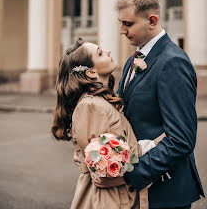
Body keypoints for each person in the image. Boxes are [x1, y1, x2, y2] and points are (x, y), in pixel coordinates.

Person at [92, 0, 204, 209]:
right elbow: (121, 117)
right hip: (139, 195)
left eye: (128, 23)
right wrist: (93, 153)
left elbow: (180, 140)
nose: (122, 30)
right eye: (120, 23)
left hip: (166, 193)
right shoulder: (132, 60)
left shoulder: (173, 62)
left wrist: (128, 175)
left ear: (152, 20)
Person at [51, 38, 165, 209]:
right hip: (109, 199)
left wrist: (156, 142)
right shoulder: (91, 106)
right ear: (90, 72)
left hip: (119, 196)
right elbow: (106, 167)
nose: (108, 52)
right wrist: (160, 141)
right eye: (100, 53)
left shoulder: (102, 101)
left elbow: (124, 149)